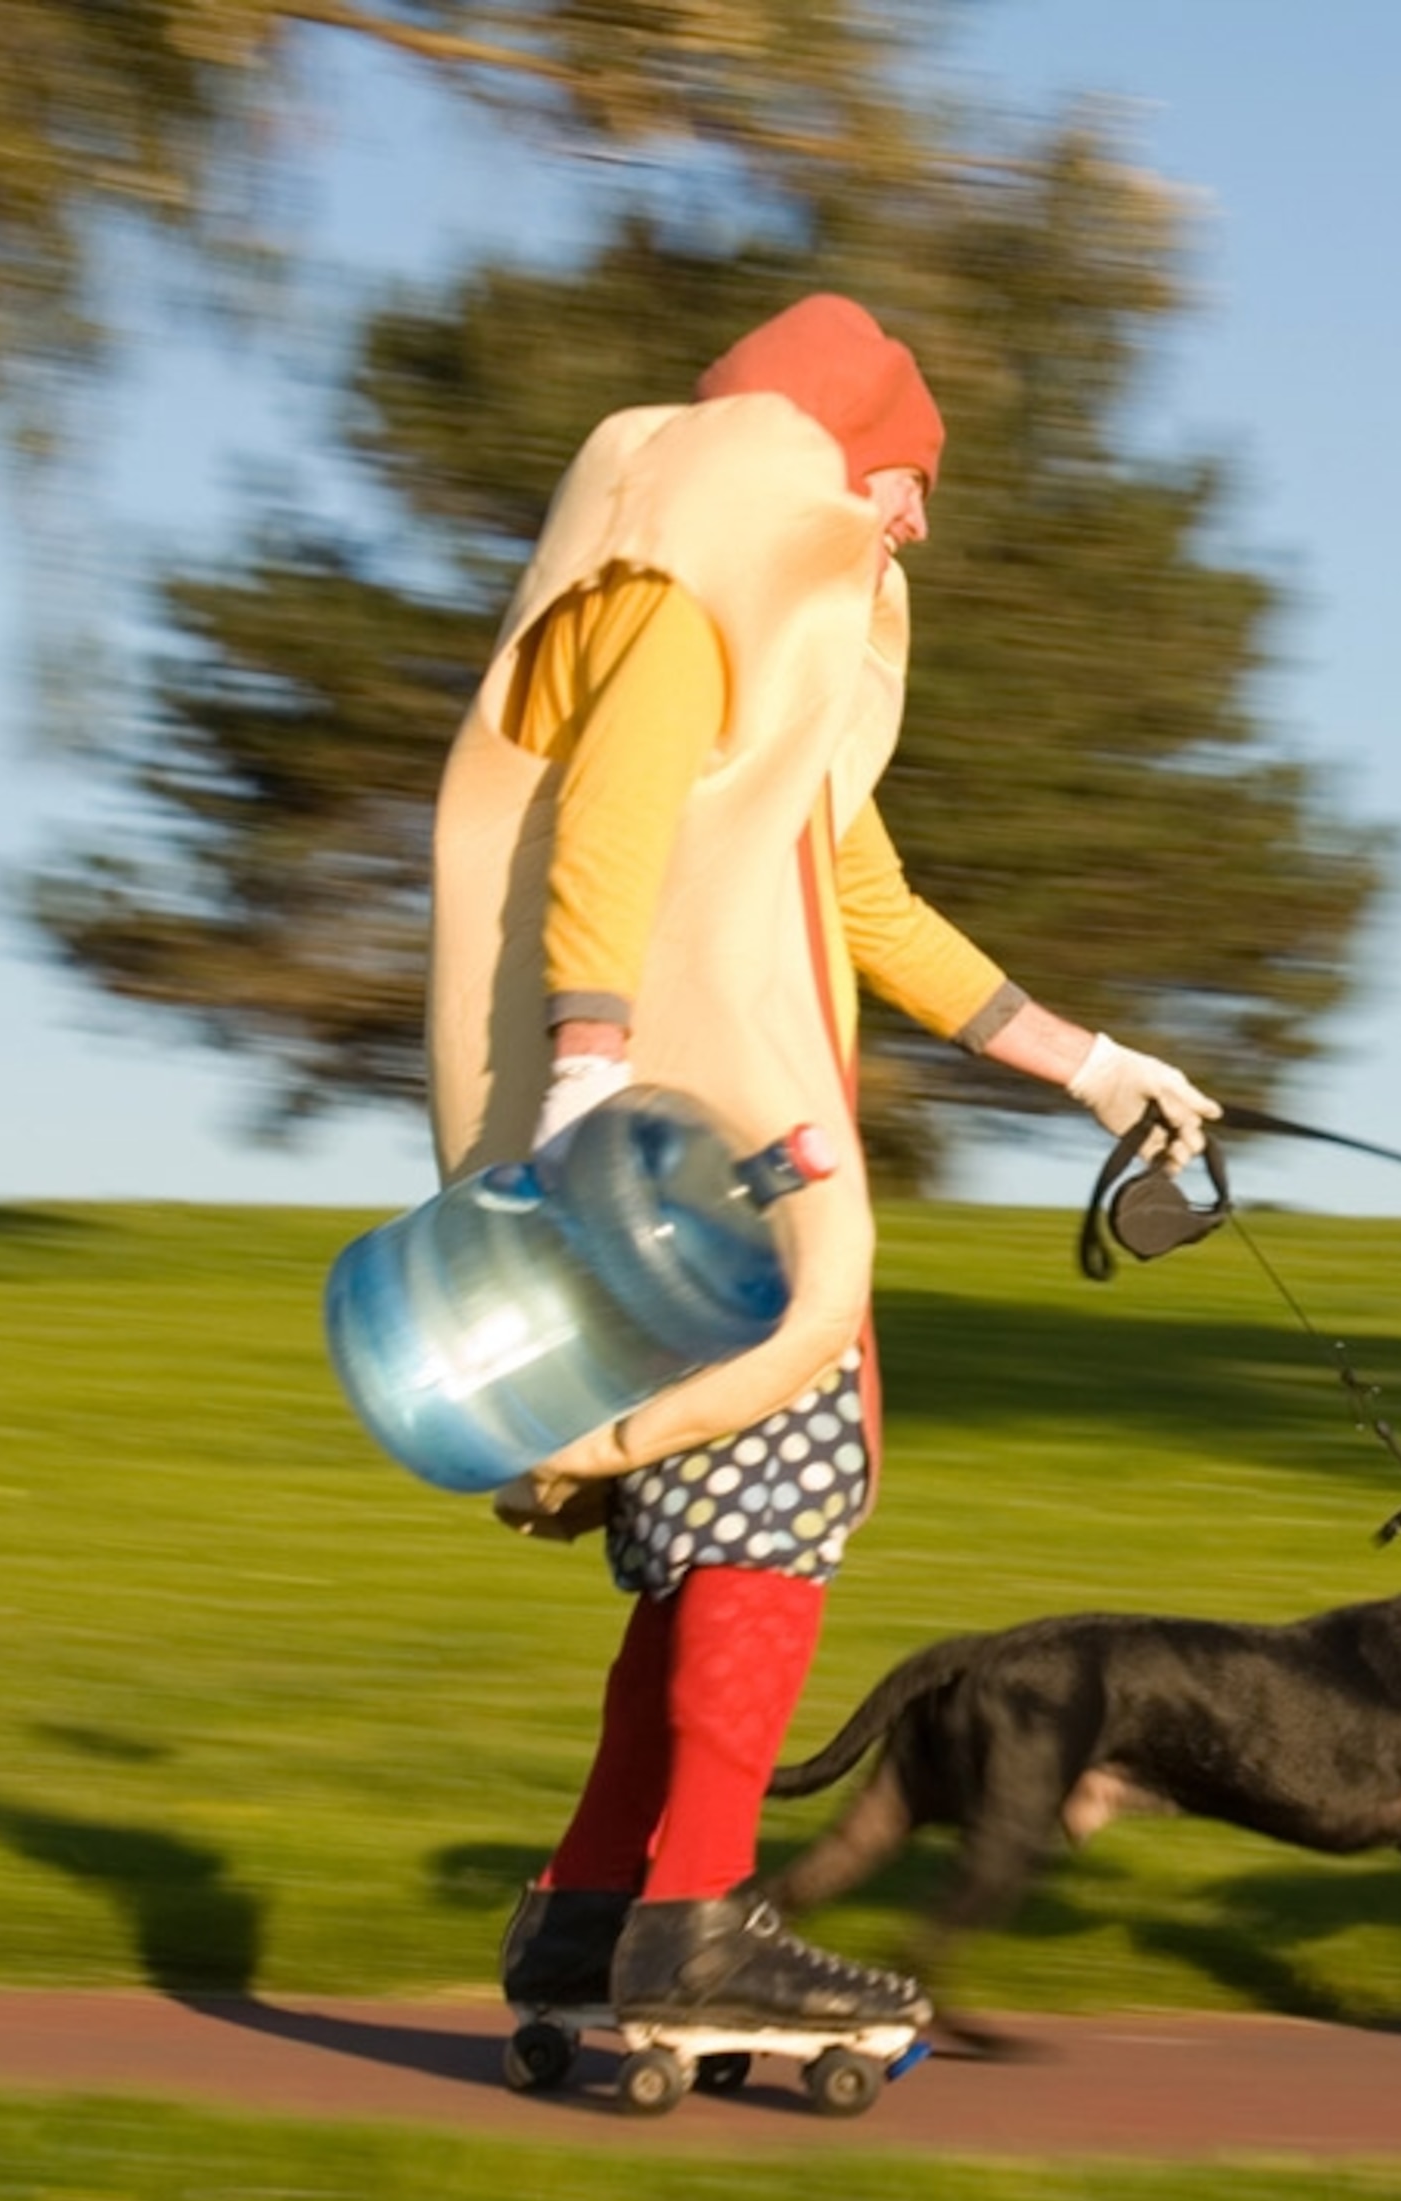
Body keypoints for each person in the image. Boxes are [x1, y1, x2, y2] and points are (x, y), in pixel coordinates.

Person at [423, 291, 1219, 2034]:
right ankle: (692, 1916)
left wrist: (1089, 1064)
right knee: (769, 1507)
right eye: (900, 472)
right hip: (682, 1154)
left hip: (684, 1138)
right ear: (808, 457)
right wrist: (587, 1076)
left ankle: (588, 1911)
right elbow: (615, 817)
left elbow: (864, 902)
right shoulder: (678, 599)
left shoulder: (757, 654)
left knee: (712, 1522)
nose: (917, 515)